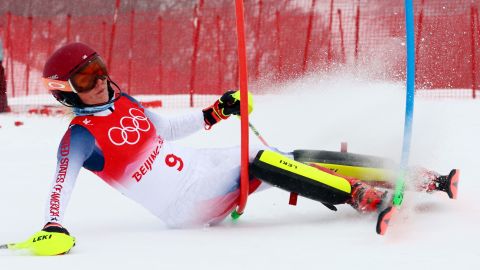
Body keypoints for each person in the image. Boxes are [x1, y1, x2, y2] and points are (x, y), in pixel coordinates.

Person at [32, 42, 458, 255]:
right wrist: (54, 225)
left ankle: (424, 178)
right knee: (266, 161)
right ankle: (362, 197)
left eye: (99, 70)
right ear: (66, 92)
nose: (101, 81)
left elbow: (166, 129)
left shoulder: (125, 101)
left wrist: (217, 111)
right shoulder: (80, 137)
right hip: (187, 203)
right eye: (86, 80)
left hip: (204, 169)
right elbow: (59, 185)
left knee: (295, 159)